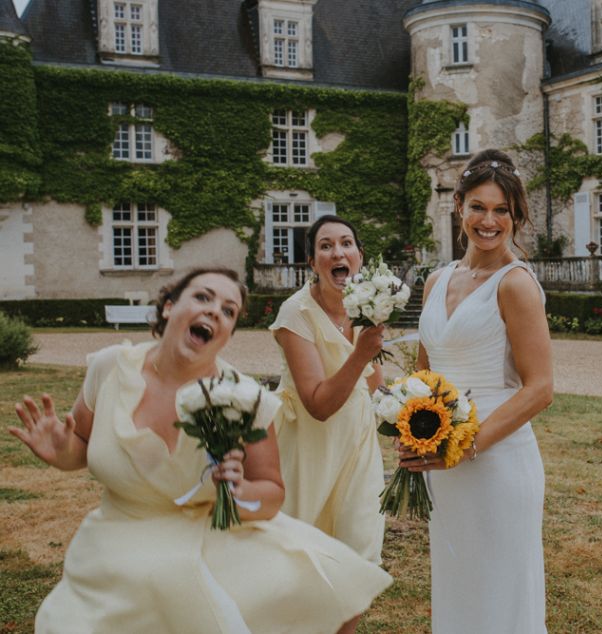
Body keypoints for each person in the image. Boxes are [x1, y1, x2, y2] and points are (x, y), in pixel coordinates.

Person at [9, 268, 391, 634]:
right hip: (111, 545)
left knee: (333, 584)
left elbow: (272, 493)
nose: (214, 311)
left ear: (227, 335)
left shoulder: (243, 396)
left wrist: (239, 491)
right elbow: (80, 446)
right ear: (169, 306)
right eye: (203, 297)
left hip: (203, 541)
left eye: (228, 310)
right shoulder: (110, 368)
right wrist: (60, 450)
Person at [400, 149, 554, 633]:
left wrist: (464, 447)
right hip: (442, 462)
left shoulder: (515, 284)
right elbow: (425, 375)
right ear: (458, 207)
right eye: (479, 207)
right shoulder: (436, 280)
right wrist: (411, 430)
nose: (489, 221)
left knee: (500, 591)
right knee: (459, 584)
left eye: (501, 210)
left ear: (516, 215)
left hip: (496, 459)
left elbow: (540, 388)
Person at [269, 216, 386, 564]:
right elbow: (318, 405)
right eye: (326, 246)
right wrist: (361, 353)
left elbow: (375, 385)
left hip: (358, 444)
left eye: (346, 243)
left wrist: (410, 418)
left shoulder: (368, 306)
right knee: (303, 556)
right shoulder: (296, 313)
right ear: (312, 262)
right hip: (310, 448)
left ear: (360, 256)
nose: (338, 252)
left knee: (360, 553)